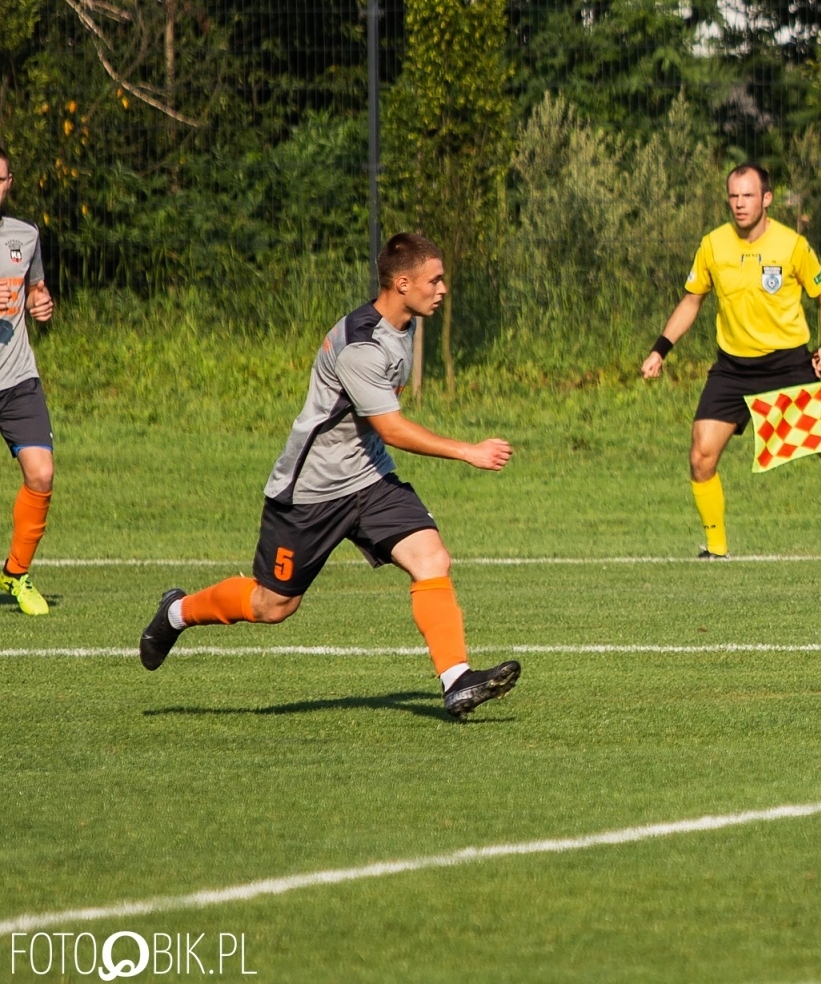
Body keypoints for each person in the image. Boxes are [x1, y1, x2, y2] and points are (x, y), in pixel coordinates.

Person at [139, 233, 521, 717]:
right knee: (271, 606)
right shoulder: (361, 345)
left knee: (432, 558)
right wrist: (468, 451)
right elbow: (391, 427)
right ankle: (176, 612)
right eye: (435, 279)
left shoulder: (402, 324)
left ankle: (456, 680)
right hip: (310, 493)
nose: (443, 288)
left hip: (370, 480)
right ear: (403, 283)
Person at [640, 163, 821, 558]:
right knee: (701, 454)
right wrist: (659, 350)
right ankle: (716, 550)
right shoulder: (713, 245)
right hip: (733, 368)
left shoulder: (791, 245)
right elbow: (692, 300)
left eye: (748, 196)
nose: (739, 204)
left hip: (788, 365)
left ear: (766, 199)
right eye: (733, 196)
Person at [0, 146, 57, 616]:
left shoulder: (26, 235)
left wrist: (43, 308)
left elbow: (37, 294)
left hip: (18, 378)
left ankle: (16, 575)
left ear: (10, 182)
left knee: (41, 475)